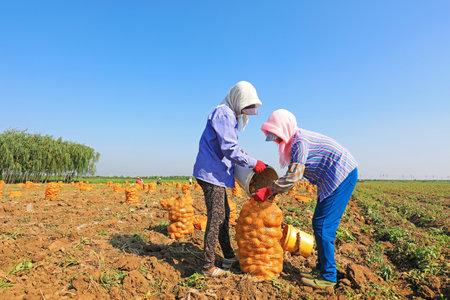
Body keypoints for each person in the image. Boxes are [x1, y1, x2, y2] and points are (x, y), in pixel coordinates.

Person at [253, 109, 358, 289]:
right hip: (331, 178)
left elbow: (293, 178)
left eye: (278, 136)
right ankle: (321, 268)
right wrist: (273, 191)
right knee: (319, 222)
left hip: (341, 175)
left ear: (285, 129)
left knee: (324, 226)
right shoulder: (295, 141)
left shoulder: (299, 142)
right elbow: (292, 173)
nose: (277, 141)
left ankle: (328, 277)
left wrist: (269, 190)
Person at [193, 81, 267, 277]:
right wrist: (253, 162)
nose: (244, 112)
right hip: (211, 174)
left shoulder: (228, 113)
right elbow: (228, 149)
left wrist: (241, 155)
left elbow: (228, 146)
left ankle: (227, 255)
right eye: (245, 106)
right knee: (217, 218)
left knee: (224, 214)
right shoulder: (224, 113)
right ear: (238, 99)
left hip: (215, 174)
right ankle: (208, 266)